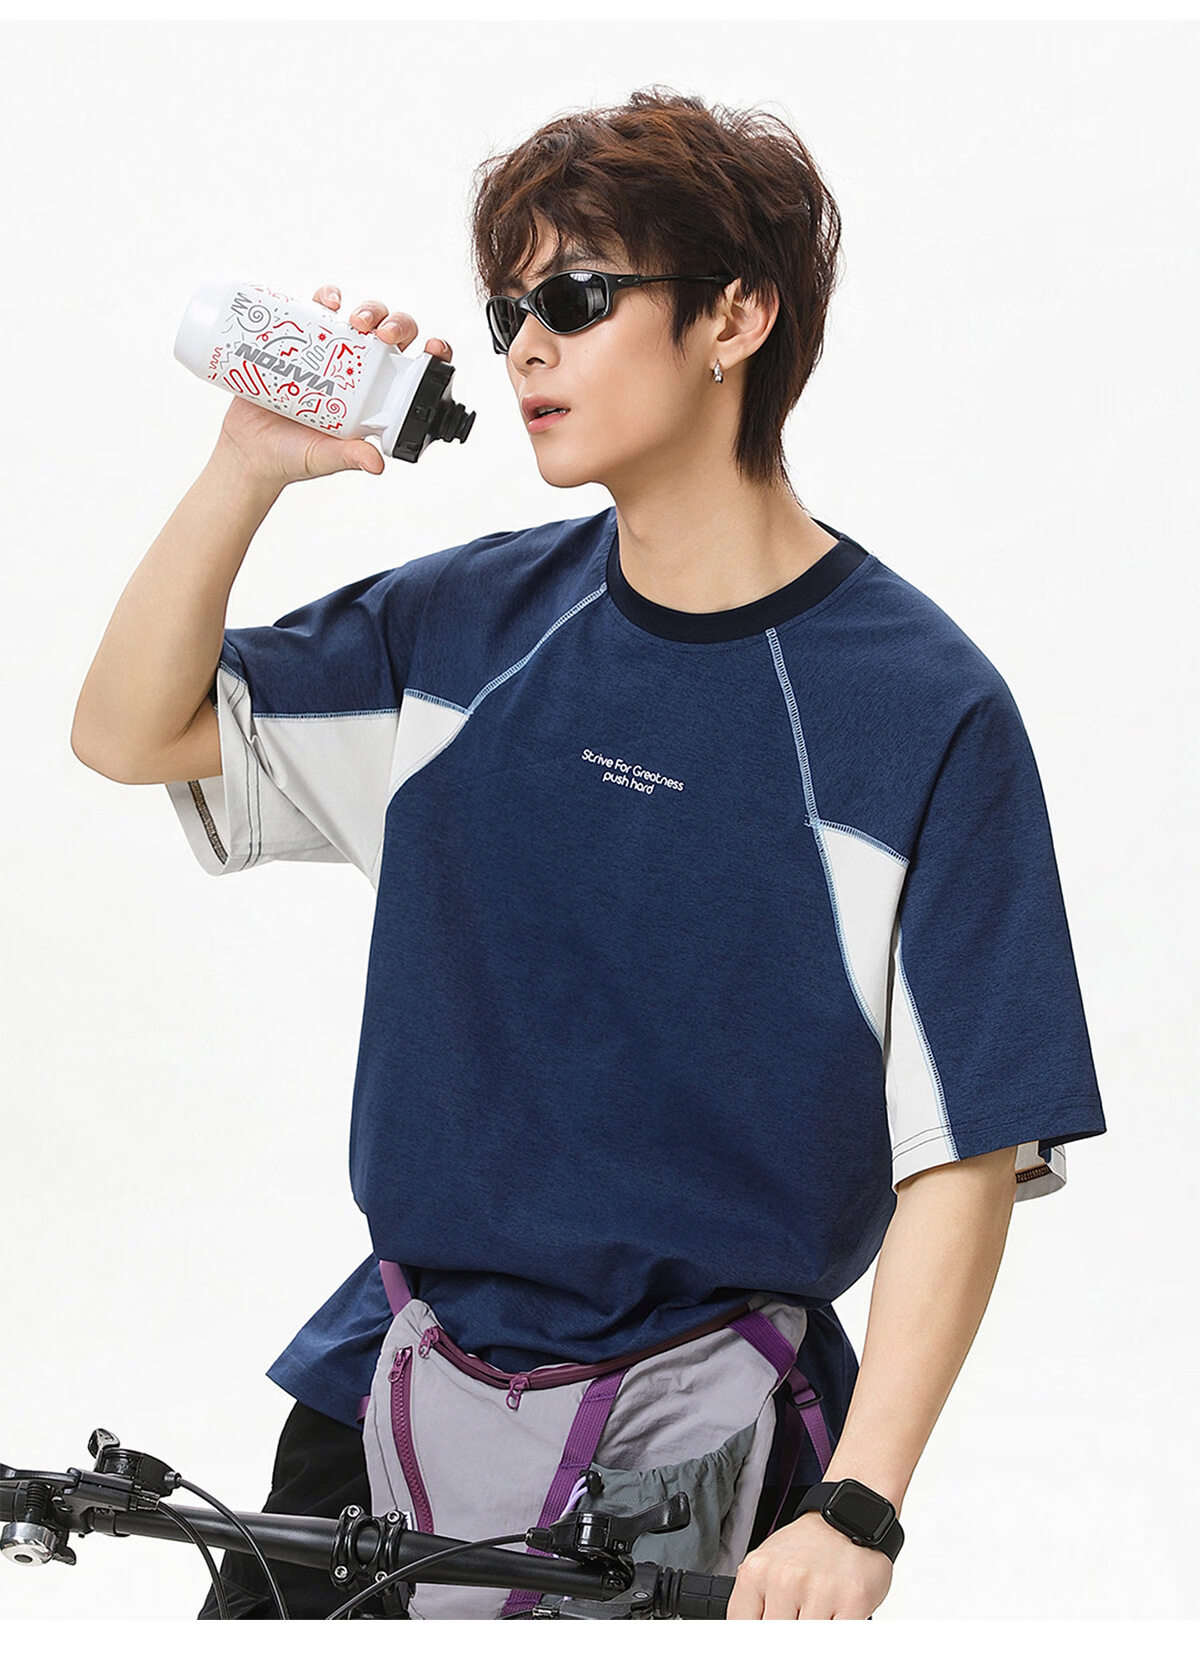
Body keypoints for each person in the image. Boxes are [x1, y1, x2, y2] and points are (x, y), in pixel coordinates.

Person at [70, 86, 1106, 1621]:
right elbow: (128, 730)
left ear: (736, 315)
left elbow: (966, 1148)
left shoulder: (919, 711)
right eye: (509, 314)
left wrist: (860, 1503)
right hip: (391, 1384)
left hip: (700, 1441)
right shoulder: (464, 635)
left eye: (575, 298)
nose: (525, 351)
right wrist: (245, 468)